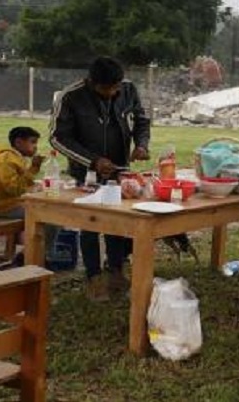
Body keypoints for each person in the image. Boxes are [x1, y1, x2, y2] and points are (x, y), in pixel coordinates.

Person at [51, 56, 151, 301]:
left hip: (120, 169)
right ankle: (94, 277)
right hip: (86, 172)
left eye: (116, 87)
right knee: (91, 223)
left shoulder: (127, 89)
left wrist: (141, 144)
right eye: (107, 89)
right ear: (91, 82)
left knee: (118, 221)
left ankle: (116, 270)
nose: (113, 92)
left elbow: (141, 121)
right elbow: (57, 138)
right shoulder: (71, 97)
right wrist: (93, 161)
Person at [0, 126, 58, 264]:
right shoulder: (5, 160)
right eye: (32, 142)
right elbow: (15, 189)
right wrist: (33, 170)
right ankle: (40, 256)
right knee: (50, 215)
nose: (35, 147)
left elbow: (20, 186)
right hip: (2, 207)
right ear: (18, 142)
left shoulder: (14, 158)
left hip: (14, 203)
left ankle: (33, 253)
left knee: (49, 211)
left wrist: (33, 171)